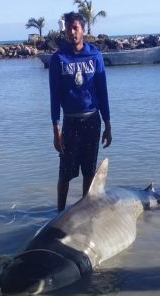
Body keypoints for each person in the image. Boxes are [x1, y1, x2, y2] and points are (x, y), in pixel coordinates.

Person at [49, 12, 112, 212]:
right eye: (68, 28)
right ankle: (59, 213)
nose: (71, 32)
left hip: (92, 121)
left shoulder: (95, 56)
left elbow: (102, 91)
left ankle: (86, 211)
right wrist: (55, 129)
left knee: (89, 172)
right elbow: (54, 96)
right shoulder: (58, 58)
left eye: (75, 27)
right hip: (70, 122)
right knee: (65, 172)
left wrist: (108, 123)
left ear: (83, 30)